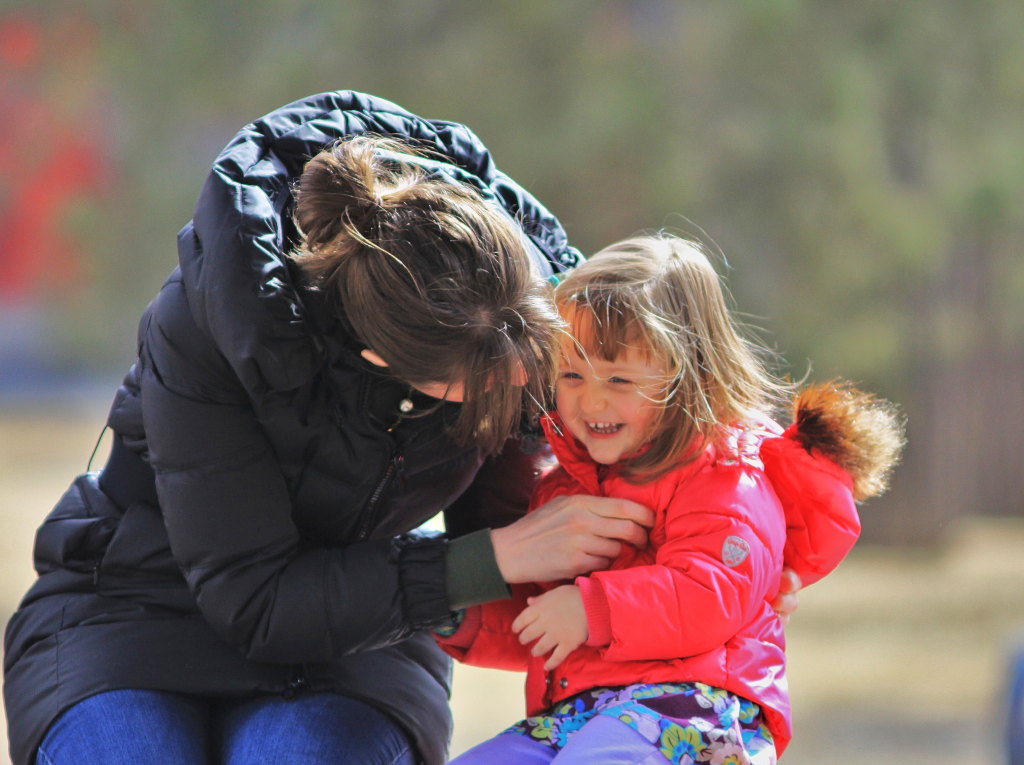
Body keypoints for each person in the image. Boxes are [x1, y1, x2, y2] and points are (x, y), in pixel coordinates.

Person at [2, 92, 799, 765]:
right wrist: (493, 558)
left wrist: (737, 568)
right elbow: (256, 597)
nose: (528, 385)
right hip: (131, 611)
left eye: (533, 351)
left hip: (360, 642)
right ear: (382, 358)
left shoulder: (528, 331)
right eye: (480, 384)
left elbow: (662, 458)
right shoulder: (212, 329)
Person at [437, 234, 906, 764]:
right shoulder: (566, 484)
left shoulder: (726, 475)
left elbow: (710, 593)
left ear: (689, 376)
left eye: (619, 377)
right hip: (576, 713)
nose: (592, 399)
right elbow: (547, 621)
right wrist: (462, 616)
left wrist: (592, 609)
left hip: (693, 710)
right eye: (571, 375)